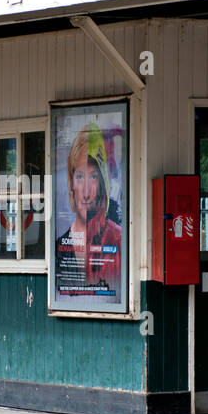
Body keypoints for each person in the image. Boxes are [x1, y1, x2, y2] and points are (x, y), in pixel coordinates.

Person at [54, 122, 122, 297]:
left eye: (93, 177)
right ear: (71, 183)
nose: (85, 192)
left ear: (102, 183)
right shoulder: (59, 246)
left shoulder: (118, 239)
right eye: (79, 176)